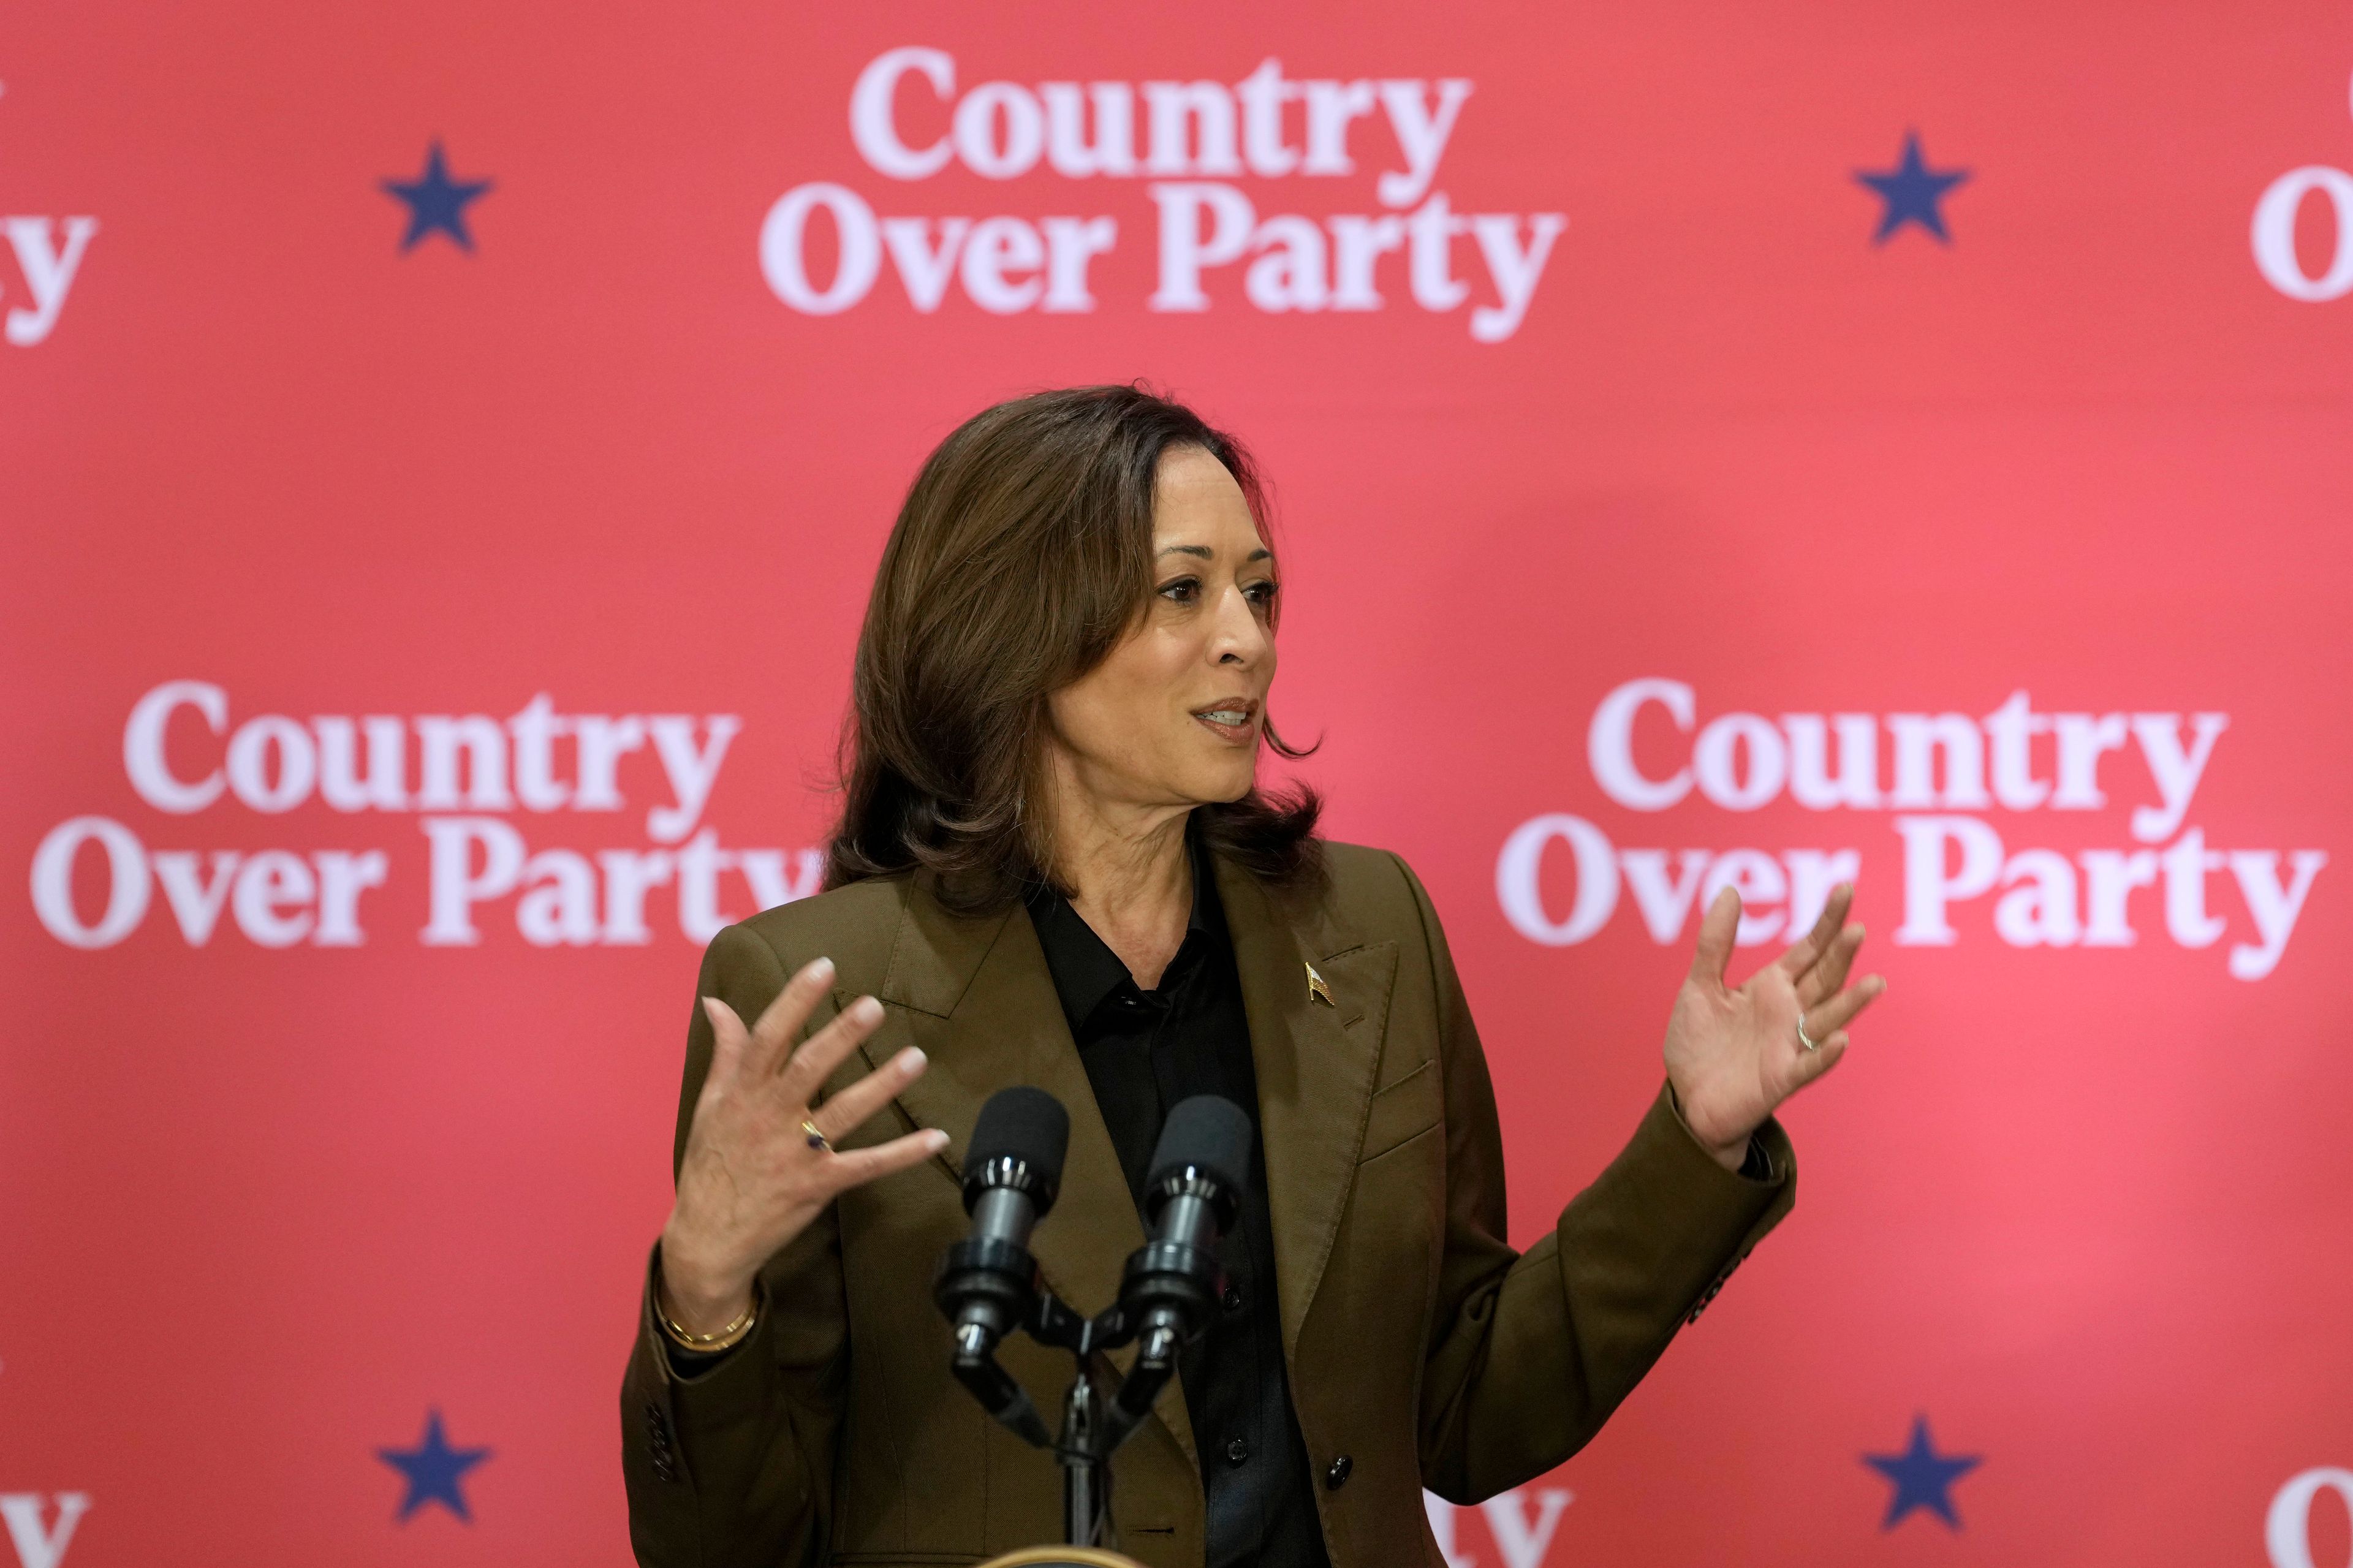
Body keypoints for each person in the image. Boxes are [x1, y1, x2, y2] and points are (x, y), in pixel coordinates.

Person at [620, 385, 1883, 1568]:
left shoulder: (1371, 928)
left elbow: (1468, 1409)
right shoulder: (820, 985)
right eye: (1184, 591)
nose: (1247, 641)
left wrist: (1695, 1144)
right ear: (1017, 627)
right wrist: (704, 1286)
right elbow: (730, 1547)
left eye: (1260, 591)